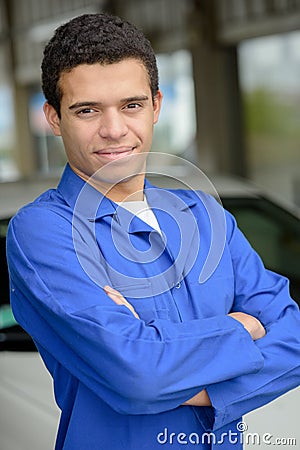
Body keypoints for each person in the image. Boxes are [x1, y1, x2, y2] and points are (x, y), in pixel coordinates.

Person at [6, 12, 300, 450]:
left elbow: (293, 335)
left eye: (131, 105)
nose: (114, 129)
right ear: (53, 117)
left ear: (156, 105)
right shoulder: (43, 233)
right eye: (87, 110)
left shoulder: (204, 215)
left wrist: (196, 384)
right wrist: (243, 325)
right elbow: (138, 373)